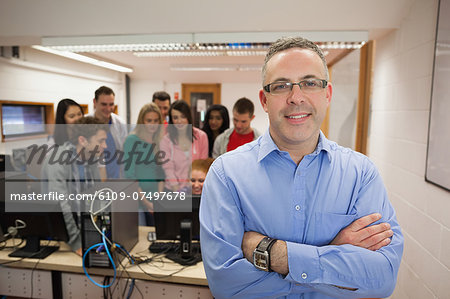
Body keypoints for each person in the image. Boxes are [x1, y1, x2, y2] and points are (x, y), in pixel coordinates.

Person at [200, 37, 404, 298]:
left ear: (327, 94)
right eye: (282, 85)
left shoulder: (361, 174)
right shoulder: (226, 175)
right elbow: (227, 286)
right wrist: (335, 254)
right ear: (264, 100)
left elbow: (382, 278)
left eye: (309, 83)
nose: (296, 98)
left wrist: (274, 253)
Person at [41, 117, 108, 255]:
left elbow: (97, 199)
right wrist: (77, 242)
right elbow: (61, 205)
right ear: (83, 140)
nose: (105, 145)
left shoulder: (92, 160)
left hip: (86, 235)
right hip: (63, 240)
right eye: (101, 141)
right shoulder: (58, 161)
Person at [123, 103, 165, 226]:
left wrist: (158, 200)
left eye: (156, 120)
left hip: (156, 200)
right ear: (142, 121)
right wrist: (147, 203)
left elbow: (160, 173)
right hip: (138, 201)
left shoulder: (159, 140)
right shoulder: (132, 140)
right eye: (149, 120)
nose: (153, 124)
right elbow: (130, 176)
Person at [160, 100, 208, 192]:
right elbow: (168, 168)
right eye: (175, 117)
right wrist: (176, 189)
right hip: (173, 189)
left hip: (197, 189)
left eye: (183, 117)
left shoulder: (201, 137)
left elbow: (202, 166)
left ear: (188, 117)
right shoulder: (166, 140)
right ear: (171, 119)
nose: (179, 121)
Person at [87, 86, 128, 179]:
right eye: (104, 104)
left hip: (117, 178)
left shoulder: (120, 123)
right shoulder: (85, 123)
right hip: (94, 179)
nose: (108, 108)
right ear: (94, 102)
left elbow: (124, 152)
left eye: (111, 104)